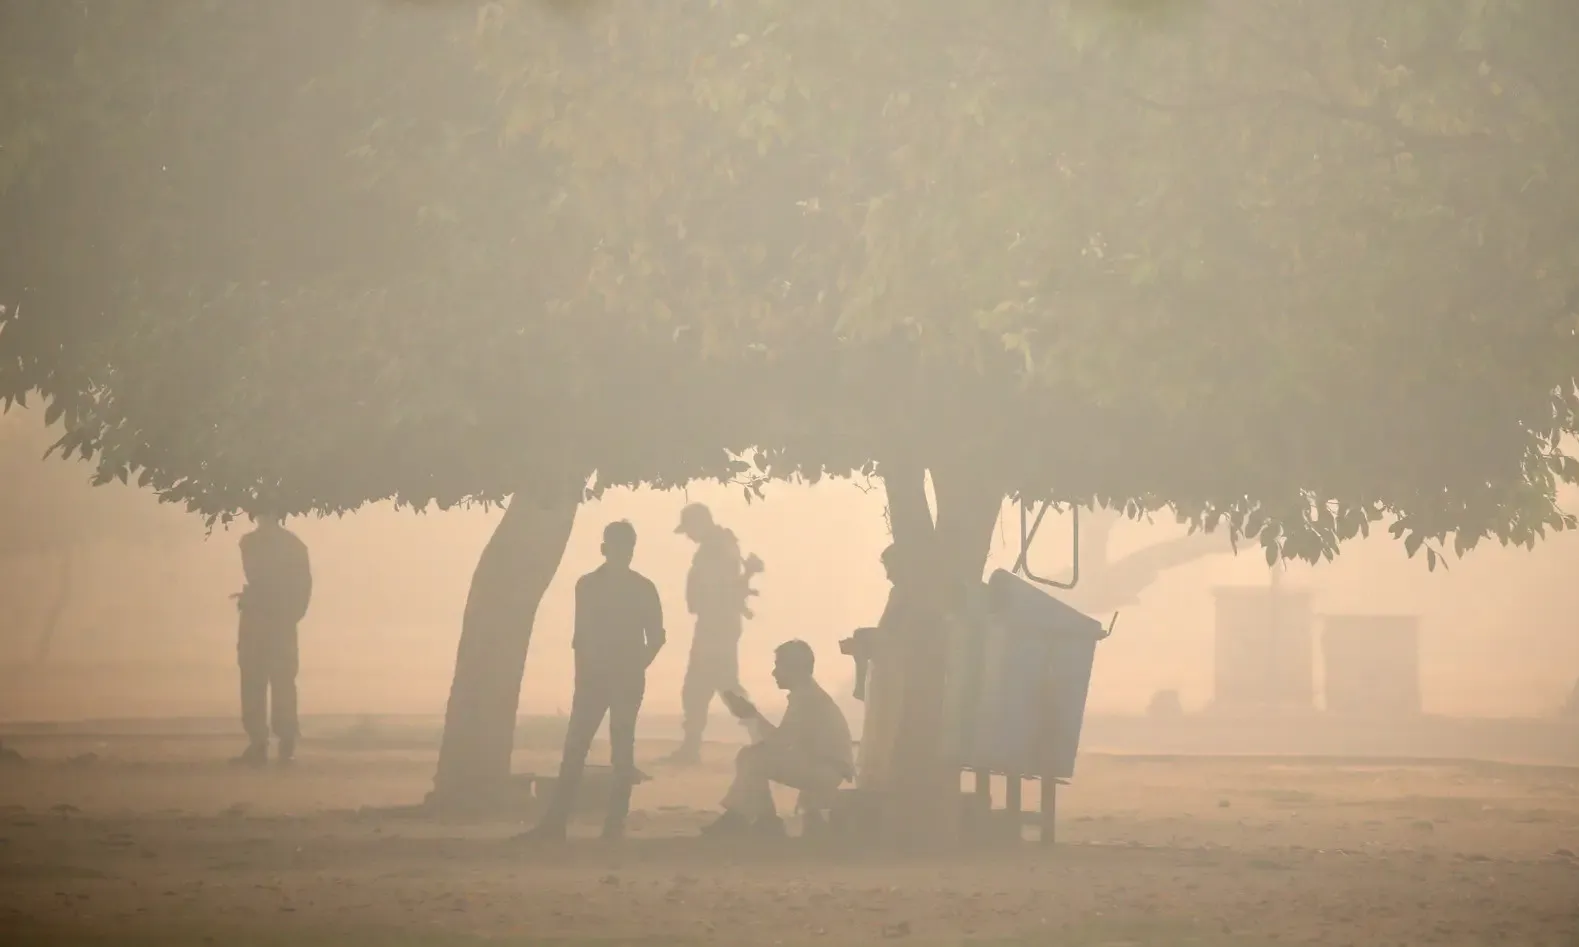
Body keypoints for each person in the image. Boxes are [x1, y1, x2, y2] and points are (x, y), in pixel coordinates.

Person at [523, 520, 665, 841]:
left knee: (590, 749)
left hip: (603, 679)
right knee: (607, 750)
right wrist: (634, 667)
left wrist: (628, 668)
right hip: (605, 679)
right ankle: (598, 824)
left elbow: (585, 639)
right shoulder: (627, 587)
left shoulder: (591, 586)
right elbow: (653, 638)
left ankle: (571, 823)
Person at [703, 639, 854, 837]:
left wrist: (752, 715)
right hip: (824, 767)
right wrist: (751, 716)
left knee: (753, 758)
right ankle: (760, 820)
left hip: (825, 770)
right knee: (752, 757)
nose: (774, 673)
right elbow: (781, 742)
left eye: (778, 665)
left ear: (794, 668)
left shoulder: (807, 697)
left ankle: (751, 820)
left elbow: (780, 743)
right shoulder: (807, 694)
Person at [660, 503, 763, 765]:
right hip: (717, 624)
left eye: (689, 529)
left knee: (711, 687)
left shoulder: (717, 548)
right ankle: (695, 747)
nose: (689, 536)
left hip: (716, 626)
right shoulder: (720, 545)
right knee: (711, 687)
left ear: (700, 523)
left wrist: (745, 579)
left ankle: (759, 739)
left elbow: (722, 588)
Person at [232, 515, 312, 767]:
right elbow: (303, 587)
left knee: (257, 682)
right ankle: (283, 744)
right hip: (279, 622)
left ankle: (262, 743)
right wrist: (291, 615)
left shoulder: (251, 543)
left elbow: (260, 578)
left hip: (262, 620)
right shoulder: (293, 545)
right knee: (281, 683)